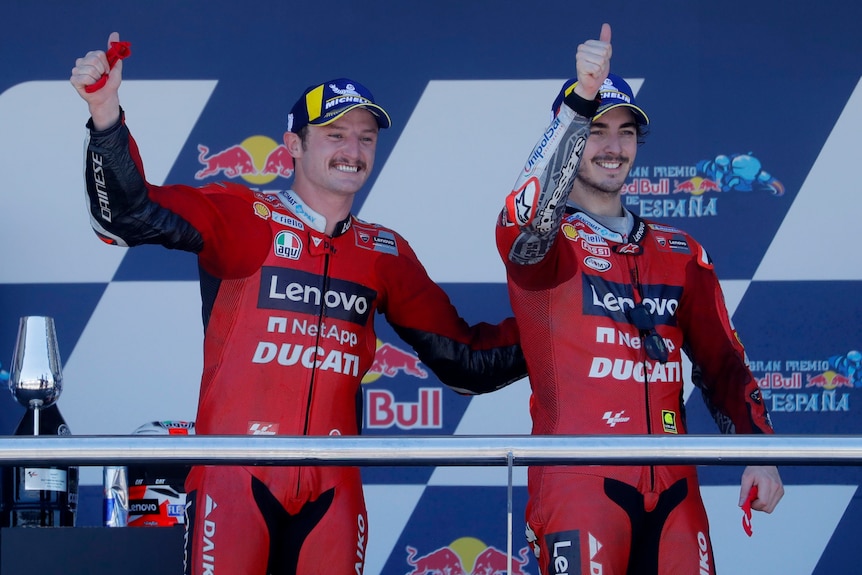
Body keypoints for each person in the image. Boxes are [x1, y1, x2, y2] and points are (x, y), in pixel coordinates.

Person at [71, 32, 526, 575]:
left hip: (333, 488)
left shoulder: (383, 252)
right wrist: (105, 112)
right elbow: (127, 214)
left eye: (364, 139)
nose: (352, 152)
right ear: (293, 146)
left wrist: (562, 335)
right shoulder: (242, 214)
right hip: (233, 476)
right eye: (335, 135)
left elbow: (466, 362)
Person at [495, 23, 784, 575]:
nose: (613, 147)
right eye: (596, 130)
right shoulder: (544, 247)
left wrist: (760, 451)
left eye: (625, 133)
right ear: (570, 137)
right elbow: (526, 209)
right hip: (578, 481)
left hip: (675, 486)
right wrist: (578, 102)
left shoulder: (680, 251)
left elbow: (723, 365)